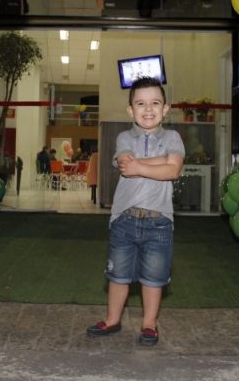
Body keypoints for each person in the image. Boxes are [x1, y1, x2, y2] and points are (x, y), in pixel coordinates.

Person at [86, 76, 185, 346]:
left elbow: (173, 170)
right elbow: (125, 164)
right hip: (124, 220)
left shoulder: (174, 137)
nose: (148, 109)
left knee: (153, 278)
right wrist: (159, 162)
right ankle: (112, 319)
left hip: (159, 221)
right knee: (118, 275)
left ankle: (149, 323)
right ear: (131, 110)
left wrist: (143, 166)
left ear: (166, 108)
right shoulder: (123, 137)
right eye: (140, 103)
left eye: (155, 103)